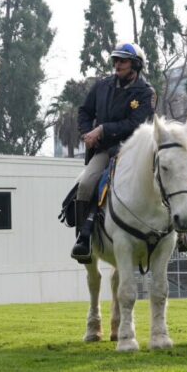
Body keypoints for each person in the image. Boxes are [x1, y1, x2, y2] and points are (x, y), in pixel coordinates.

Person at [71, 43, 156, 263]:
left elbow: (136, 124)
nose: (117, 64)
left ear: (136, 65)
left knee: (169, 175)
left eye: (123, 61)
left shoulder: (147, 93)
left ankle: (185, 232)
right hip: (104, 151)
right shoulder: (101, 86)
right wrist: (87, 132)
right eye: (115, 60)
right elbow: (85, 111)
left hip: (133, 151)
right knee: (86, 185)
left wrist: (102, 129)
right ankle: (83, 239)